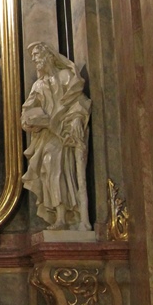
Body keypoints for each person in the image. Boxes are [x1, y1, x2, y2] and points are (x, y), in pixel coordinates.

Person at [20, 42, 91, 230]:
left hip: (65, 135)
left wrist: (75, 119)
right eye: (33, 56)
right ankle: (59, 216)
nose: (34, 59)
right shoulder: (38, 85)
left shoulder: (67, 77)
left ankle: (67, 216)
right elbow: (26, 112)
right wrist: (29, 121)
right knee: (50, 171)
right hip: (47, 137)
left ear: (48, 55)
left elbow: (79, 102)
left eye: (36, 55)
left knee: (62, 172)